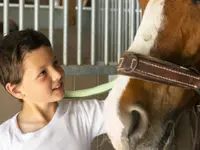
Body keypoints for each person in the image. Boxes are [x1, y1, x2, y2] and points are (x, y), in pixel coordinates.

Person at [0, 29, 105, 150]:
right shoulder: (4, 139)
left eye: (55, 63)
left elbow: (123, 110)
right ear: (16, 91)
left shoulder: (82, 114)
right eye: (43, 73)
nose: (57, 75)